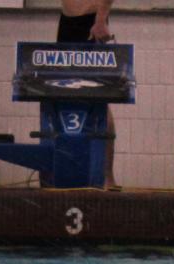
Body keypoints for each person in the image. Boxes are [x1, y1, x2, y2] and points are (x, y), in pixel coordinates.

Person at [56, 0, 116, 189]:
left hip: (91, 22)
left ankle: (107, 175)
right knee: (65, 94)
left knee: (98, 99)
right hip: (67, 21)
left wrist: (100, 19)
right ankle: (71, 172)